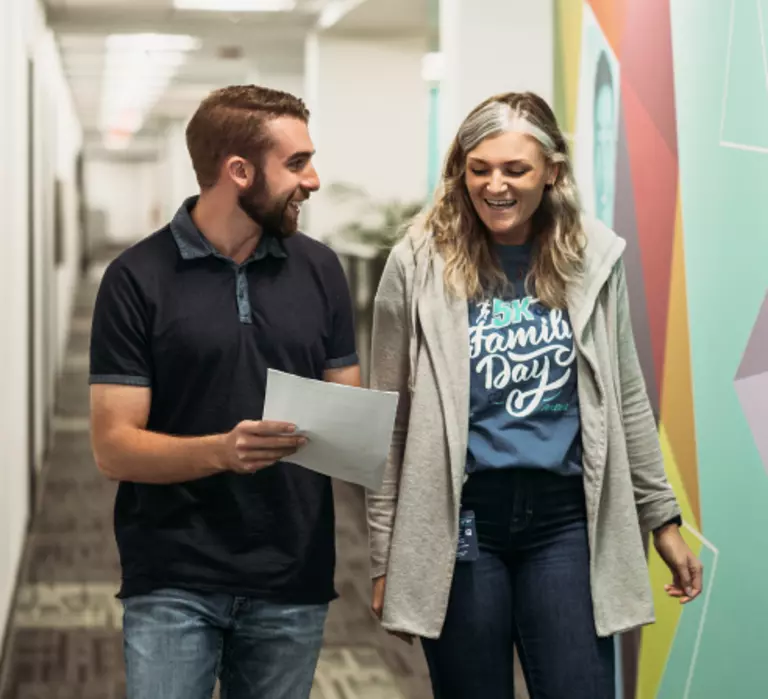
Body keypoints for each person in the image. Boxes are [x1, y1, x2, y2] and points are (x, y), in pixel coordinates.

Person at [365, 92, 702, 699]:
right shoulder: (417, 263)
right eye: (479, 169)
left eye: (515, 169)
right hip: (459, 518)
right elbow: (390, 422)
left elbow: (625, 396)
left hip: (564, 519)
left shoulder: (592, 257)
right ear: (460, 170)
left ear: (551, 171)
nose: (494, 185)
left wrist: (663, 519)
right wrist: (387, 554)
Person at [89, 85, 360, 699]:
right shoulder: (136, 278)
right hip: (173, 572)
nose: (313, 181)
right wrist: (222, 451)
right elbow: (112, 448)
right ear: (239, 171)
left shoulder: (321, 270)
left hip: (293, 571)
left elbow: (347, 415)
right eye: (296, 163)